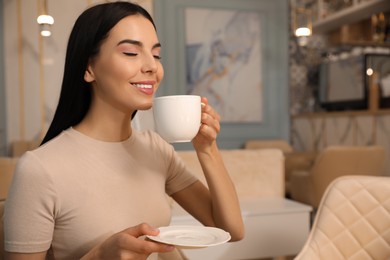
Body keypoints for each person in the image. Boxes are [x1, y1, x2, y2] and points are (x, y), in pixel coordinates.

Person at [4, 2, 244, 260]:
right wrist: (98, 256)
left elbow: (231, 230)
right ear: (89, 68)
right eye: (131, 53)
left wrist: (207, 148)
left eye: (156, 54)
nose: (152, 66)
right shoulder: (39, 170)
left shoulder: (157, 150)